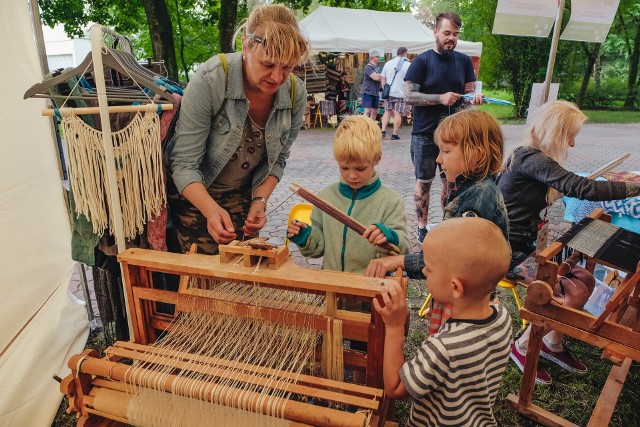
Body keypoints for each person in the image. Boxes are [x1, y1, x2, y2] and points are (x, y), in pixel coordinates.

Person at [497, 100, 640, 385]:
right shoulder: (532, 159)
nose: (573, 144)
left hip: (521, 245)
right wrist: (636, 186)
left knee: (585, 279)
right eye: (570, 135)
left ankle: (552, 343)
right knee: (566, 292)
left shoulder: (531, 159)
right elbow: (583, 188)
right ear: (556, 132)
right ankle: (522, 347)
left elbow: (563, 189)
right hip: (503, 251)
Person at [168, 5, 309, 254]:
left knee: (243, 274)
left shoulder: (296, 93)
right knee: (204, 278)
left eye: (287, 67)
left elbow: (279, 159)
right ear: (246, 46)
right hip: (195, 194)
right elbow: (183, 165)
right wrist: (211, 210)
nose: (277, 77)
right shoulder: (211, 79)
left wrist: (260, 200)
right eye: (268, 64)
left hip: (243, 194)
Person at [374, 217, 513, 427]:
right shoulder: (502, 318)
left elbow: (394, 388)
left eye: (429, 269)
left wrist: (394, 326)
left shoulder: (442, 348)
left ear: (456, 288)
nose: (423, 271)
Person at [365, 109, 507, 280]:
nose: (438, 159)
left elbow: (448, 259)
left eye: (446, 151)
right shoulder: (471, 190)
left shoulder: (479, 198)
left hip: (463, 300)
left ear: (476, 155)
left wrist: (399, 261)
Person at [287, 115, 409, 273]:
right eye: (344, 168)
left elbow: (403, 250)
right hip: (333, 287)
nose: (352, 176)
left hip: (371, 288)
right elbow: (318, 249)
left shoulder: (390, 201)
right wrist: (306, 237)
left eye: (360, 168)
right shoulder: (325, 197)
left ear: (377, 159)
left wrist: (390, 236)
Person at [404, 12, 484, 244]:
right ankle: (421, 227)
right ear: (436, 32)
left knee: (450, 182)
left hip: (453, 136)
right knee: (424, 181)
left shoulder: (463, 61)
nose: (451, 38)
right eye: (447, 33)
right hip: (425, 134)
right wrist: (439, 98)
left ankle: (447, 224)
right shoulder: (422, 61)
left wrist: (474, 100)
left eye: (455, 34)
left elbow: (468, 96)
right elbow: (408, 96)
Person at [380, 47, 411, 140]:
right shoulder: (407, 65)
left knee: (387, 112)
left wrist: (384, 88)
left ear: (397, 53)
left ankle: (383, 130)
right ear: (405, 53)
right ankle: (394, 134)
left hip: (388, 92)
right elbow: (410, 80)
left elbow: (382, 78)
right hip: (401, 93)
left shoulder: (388, 63)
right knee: (398, 113)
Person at [361, 49, 383, 121]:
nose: (379, 58)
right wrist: (382, 77)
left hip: (376, 93)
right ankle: (364, 127)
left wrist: (381, 77)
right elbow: (376, 77)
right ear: (373, 57)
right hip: (368, 92)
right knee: (367, 111)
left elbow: (380, 78)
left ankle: (371, 126)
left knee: (375, 111)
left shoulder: (377, 68)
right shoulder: (368, 67)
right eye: (378, 57)